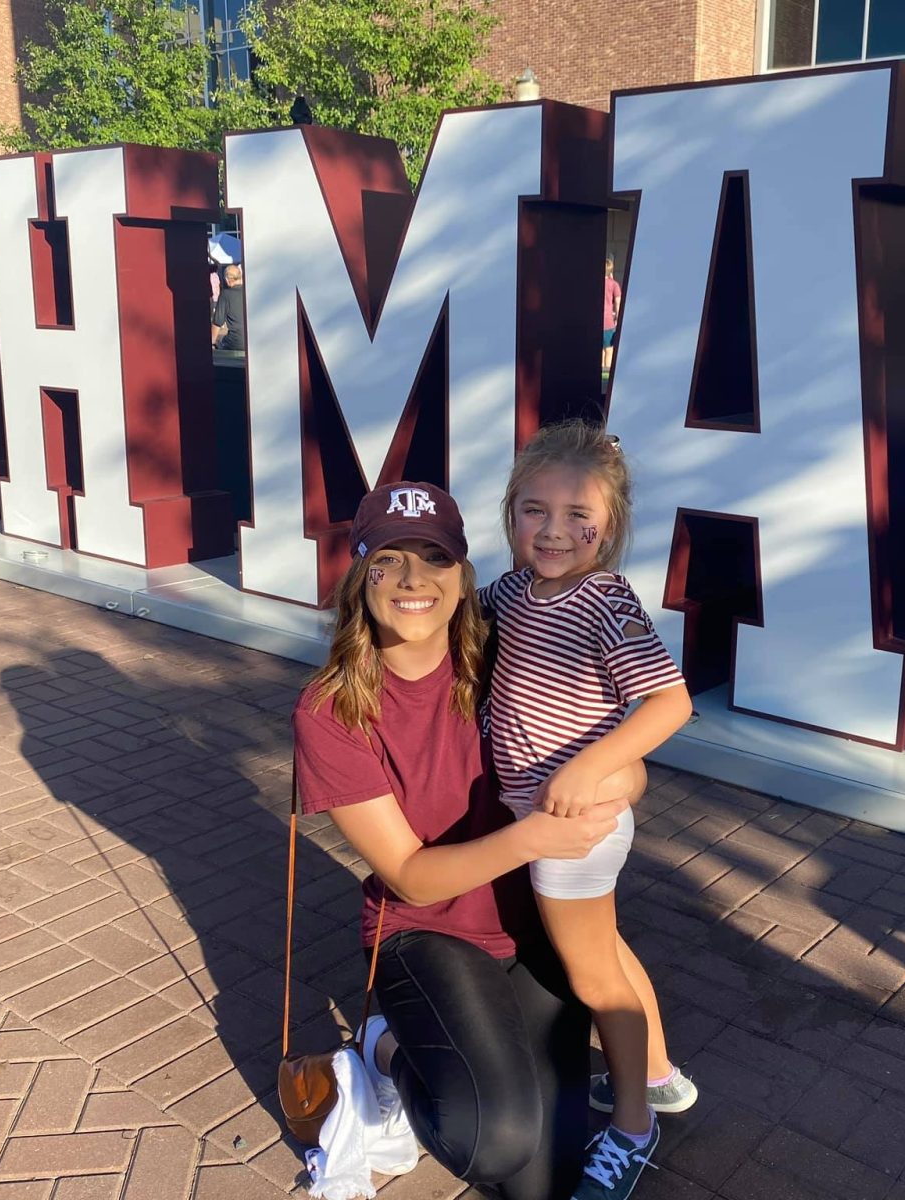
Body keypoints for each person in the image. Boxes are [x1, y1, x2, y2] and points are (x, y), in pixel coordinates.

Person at [292, 481, 644, 1200]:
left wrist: (614, 781)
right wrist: (536, 834)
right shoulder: (331, 712)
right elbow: (411, 877)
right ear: (360, 576)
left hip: (535, 920)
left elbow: (626, 761)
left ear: (463, 579)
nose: (414, 580)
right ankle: (384, 1048)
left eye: (435, 558)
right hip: (427, 932)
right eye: (389, 560)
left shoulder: (510, 652)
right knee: (492, 1140)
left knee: (544, 1185)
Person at [481, 420, 697, 1200]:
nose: (555, 531)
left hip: (574, 824)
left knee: (591, 976)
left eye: (580, 516)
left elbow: (669, 703)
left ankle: (633, 1125)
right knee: (605, 950)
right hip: (543, 815)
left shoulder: (603, 599)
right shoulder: (512, 591)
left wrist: (594, 766)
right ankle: (662, 1074)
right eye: (534, 510)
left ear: (611, 526)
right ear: (510, 513)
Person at [211, 264, 246, 350]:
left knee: (221, 342)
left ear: (227, 280)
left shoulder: (225, 295)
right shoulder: (249, 291)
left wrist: (211, 343)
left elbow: (217, 323)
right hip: (251, 342)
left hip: (235, 343)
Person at [602, 256, 622, 372]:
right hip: (608, 322)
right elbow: (618, 304)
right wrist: (618, 318)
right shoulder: (614, 285)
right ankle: (606, 374)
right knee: (609, 350)